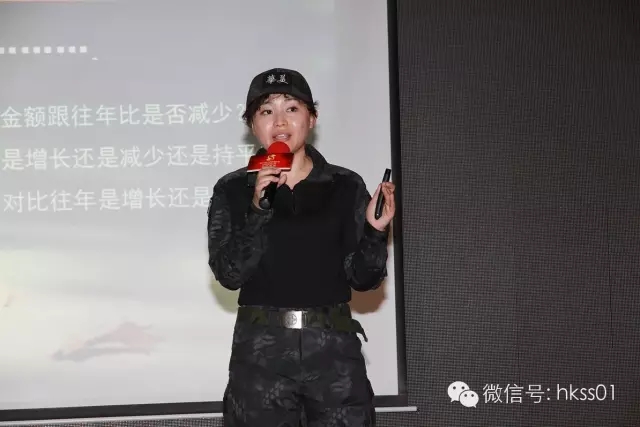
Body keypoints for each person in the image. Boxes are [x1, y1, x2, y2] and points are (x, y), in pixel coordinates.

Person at [207, 67, 396, 427]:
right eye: (266, 111)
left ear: (312, 118)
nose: (279, 121)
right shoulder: (232, 189)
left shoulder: (345, 185)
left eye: (291, 108)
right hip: (261, 355)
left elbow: (365, 279)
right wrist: (258, 208)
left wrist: (375, 231)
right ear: (252, 125)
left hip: (333, 352)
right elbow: (229, 274)